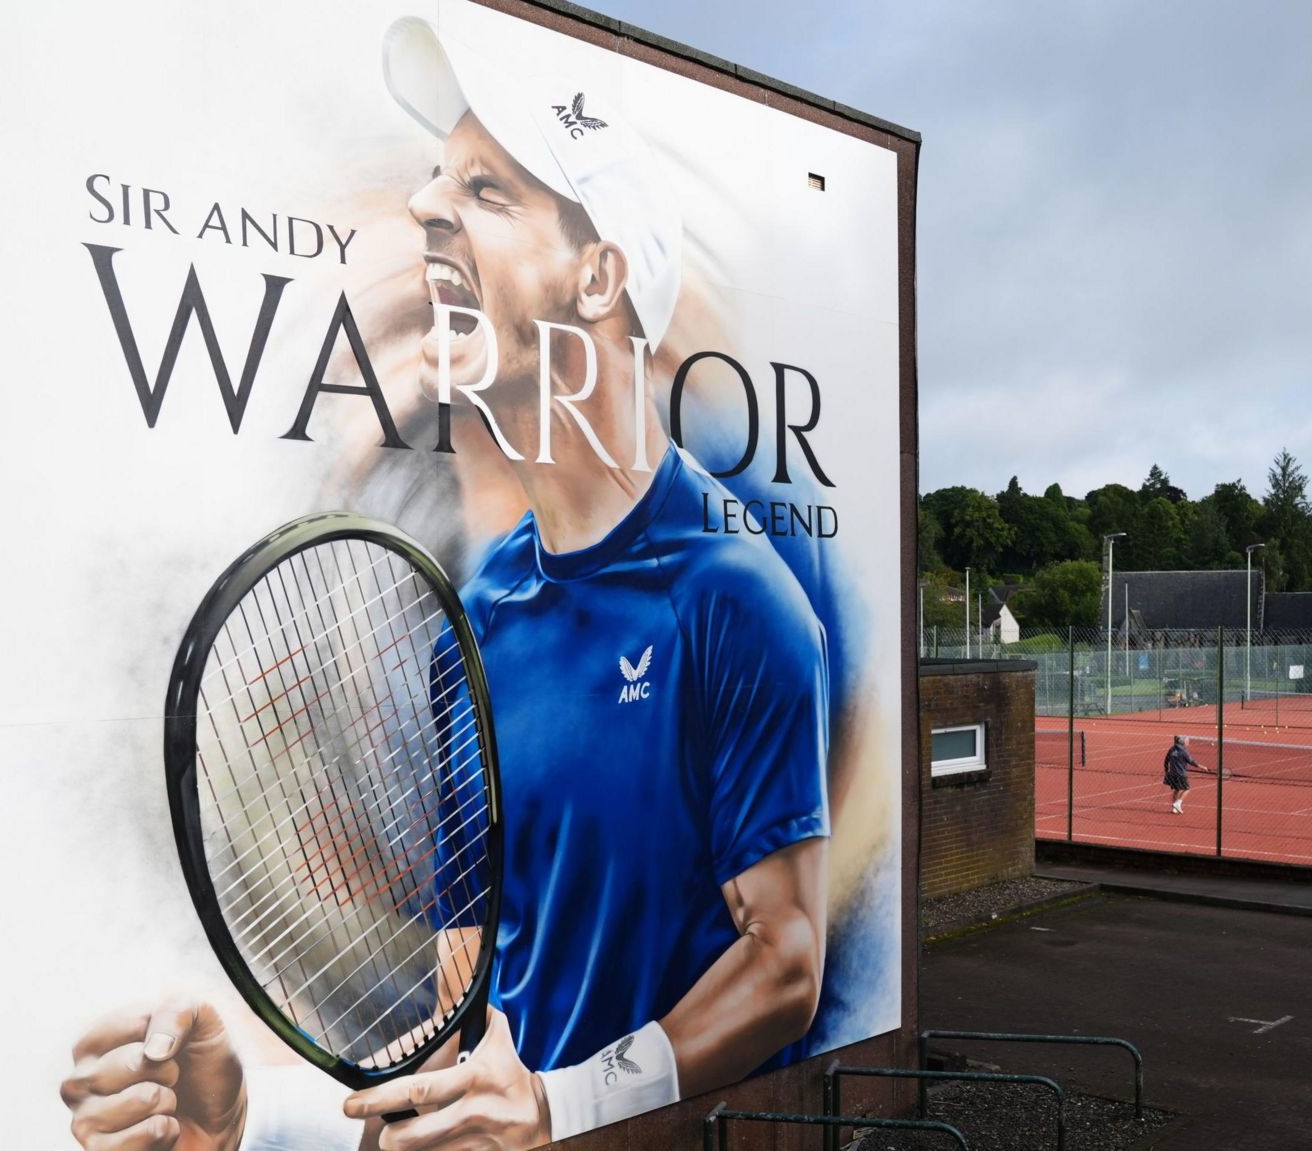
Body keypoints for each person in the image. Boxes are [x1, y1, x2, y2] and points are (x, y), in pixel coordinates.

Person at [62, 15, 832, 1151]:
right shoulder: (471, 623)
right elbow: (460, 1007)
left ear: (600, 272)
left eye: (485, 188)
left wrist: (566, 1106)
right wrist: (243, 1122)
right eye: (434, 178)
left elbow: (784, 965)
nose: (426, 207)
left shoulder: (738, 599)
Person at [1163, 734, 1200, 814]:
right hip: (1181, 774)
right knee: (1187, 789)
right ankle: (1178, 803)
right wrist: (1202, 767)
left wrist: (1166, 771)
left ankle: (1174, 808)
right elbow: (1191, 762)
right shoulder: (1184, 751)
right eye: (1187, 741)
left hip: (1172, 773)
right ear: (1183, 742)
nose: (1188, 742)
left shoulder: (1172, 749)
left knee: (1176, 790)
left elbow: (1166, 760)